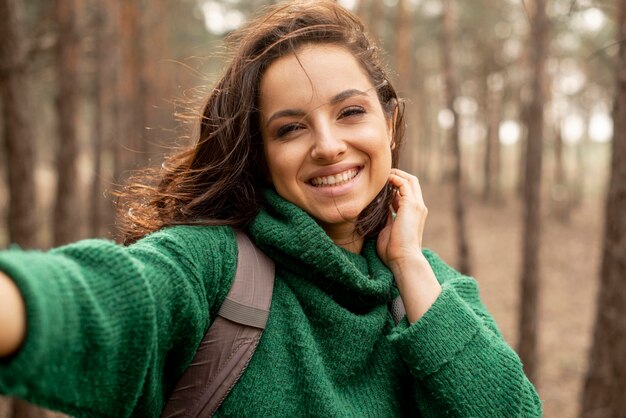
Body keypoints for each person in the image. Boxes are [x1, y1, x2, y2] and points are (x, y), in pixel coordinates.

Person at [0, 1, 542, 417]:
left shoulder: (436, 293)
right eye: (290, 128)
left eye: (350, 111)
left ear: (391, 123)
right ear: (260, 155)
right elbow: (107, 300)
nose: (328, 145)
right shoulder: (212, 268)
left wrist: (410, 265)